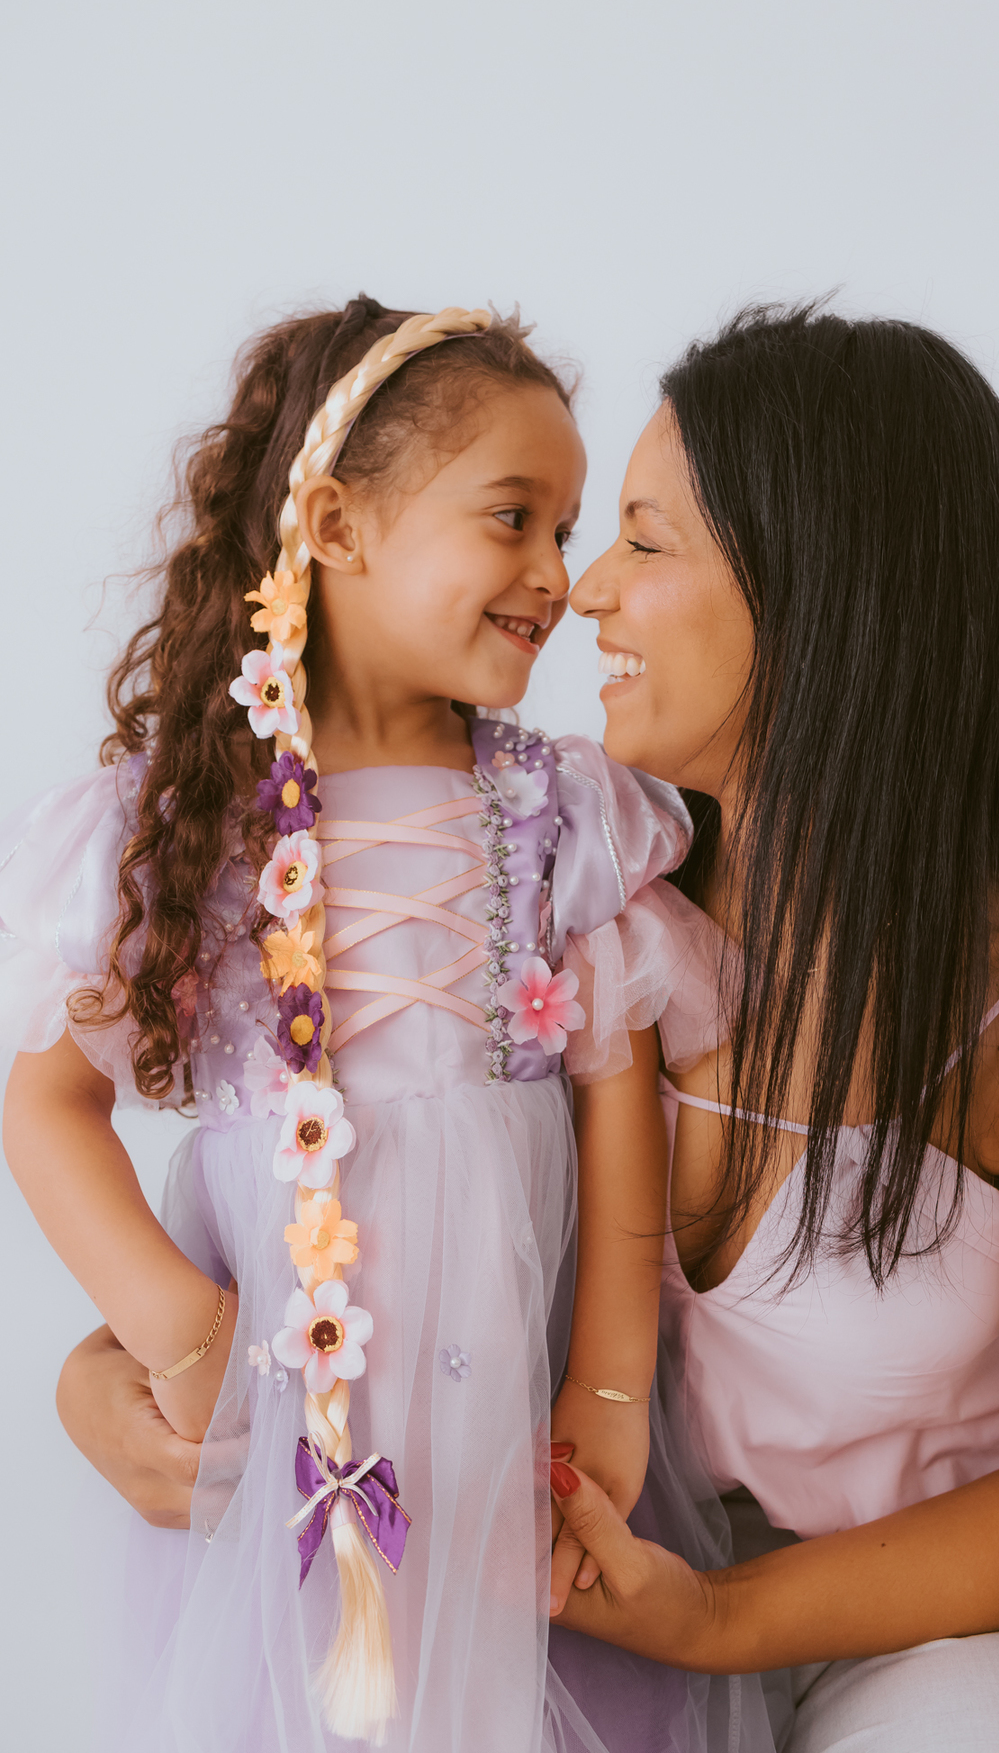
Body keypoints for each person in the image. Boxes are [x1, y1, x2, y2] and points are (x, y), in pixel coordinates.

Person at [1, 297, 742, 1753]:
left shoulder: (559, 814)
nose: (557, 575)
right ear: (336, 526)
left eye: (569, 528)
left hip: (510, 1399)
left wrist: (608, 1384)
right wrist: (180, 1336)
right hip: (287, 1389)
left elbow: (617, 1101)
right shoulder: (176, 824)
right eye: (514, 519)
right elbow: (45, 1102)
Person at [544, 303, 999, 1752]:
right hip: (594, 1593)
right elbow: (336, 1191)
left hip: (953, 1622)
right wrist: (117, 1373)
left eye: (646, 543)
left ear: (826, 595)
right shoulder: (567, 900)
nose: (586, 590)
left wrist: (713, 1621)